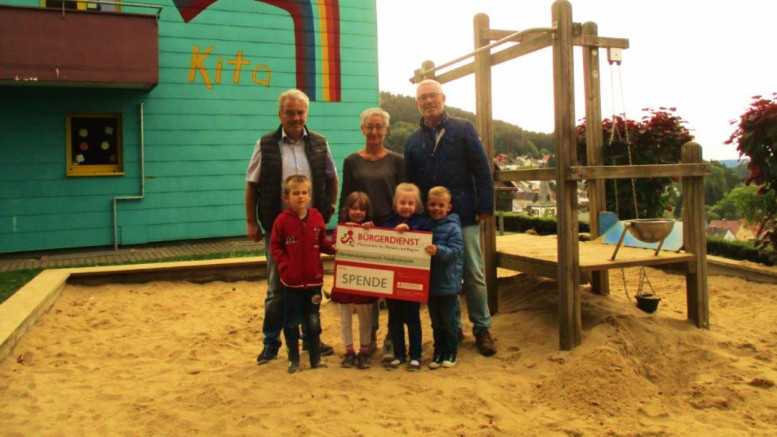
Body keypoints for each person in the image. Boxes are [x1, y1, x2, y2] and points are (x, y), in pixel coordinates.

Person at [404, 79, 497, 357]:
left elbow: (482, 170)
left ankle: (481, 327)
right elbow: (409, 183)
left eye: (433, 95)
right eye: (423, 97)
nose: (429, 101)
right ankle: (452, 327)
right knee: (439, 274)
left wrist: (485, 205)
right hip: (429, 219)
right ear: (416, 103)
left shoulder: (463, 128)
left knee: (473, 273)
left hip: (464, 214)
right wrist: (412, 217)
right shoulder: (412, 140)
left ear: (443, 98)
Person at [245, 89, 339, 365]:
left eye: (300, 112)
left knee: (309, 286)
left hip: (309, 229)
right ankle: (271, 342)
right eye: (290, 112)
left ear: (306, 114)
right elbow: (252, 184)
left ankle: (311, 340)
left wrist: (328, 210)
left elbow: (332, 179)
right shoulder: (266, 145)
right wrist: (251, 221)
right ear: (280, 114)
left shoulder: (320, 143)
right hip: (279, 228)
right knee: (277, 288)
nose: (296, 117)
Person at [338, 107, 405, 360]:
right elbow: (346, 197)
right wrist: (344, 230)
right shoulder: (351, 161)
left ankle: (391, 337)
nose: (374, 131)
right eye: (370, 126)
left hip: (389, 229)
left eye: (379, 127)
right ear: (362, 129)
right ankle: (371, 336)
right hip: (363, 231)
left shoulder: (397, 160)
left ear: (386, 130)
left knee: (392, 289)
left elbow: (403, 195)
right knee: (370, 288)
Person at [270, 175, 335, 373]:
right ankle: (294, 361)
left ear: (310, 195)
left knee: (313, 322)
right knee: (291, 322)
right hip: (292, 283)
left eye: (304, 193)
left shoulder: (316, 217)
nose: (300, 197)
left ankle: (315, 359)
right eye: (296, 193)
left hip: (314, 281)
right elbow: (275, 246)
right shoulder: (282, 221)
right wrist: (285, 265)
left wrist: (333, 248)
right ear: (286, 197)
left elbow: (322, 241)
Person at [382, 183, 432, 371]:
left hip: (412, 281)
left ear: (416, 204)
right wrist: (394, 231)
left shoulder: (422, 222)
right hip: (392, 280)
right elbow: (382, 238)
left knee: (413, 319)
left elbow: (426, 235)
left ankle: (416, 356)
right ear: (395, 203)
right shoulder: (388, 222)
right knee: (394, 319)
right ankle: (399, 354)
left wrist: (410, 229)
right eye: (403, 202)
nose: (406, 206)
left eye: (411, 203)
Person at [330, 191, 377, 370]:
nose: (358, 213)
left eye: (362, 210)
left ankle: (364, 351)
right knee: (345, 320)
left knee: (365, 320)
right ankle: (349, 351)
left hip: (364, 283)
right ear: (347, 210)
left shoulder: (371, 230)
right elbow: (335, 247)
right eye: (354, 209)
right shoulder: (339, 229)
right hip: (346, 282)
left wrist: (369, 231)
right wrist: (346, 233)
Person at [424, 186, 463, 369]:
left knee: (449, 321)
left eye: (441, 205)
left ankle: (451, 352)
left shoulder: (454, 228)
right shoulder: (424, 225)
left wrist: (438, 250)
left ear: (449, 207)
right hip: (430, 284)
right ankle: (438, 351)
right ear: (426, 205)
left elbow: (456, 252)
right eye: (432, 204)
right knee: (436, 322)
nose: (436, 208)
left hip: (448, 283)